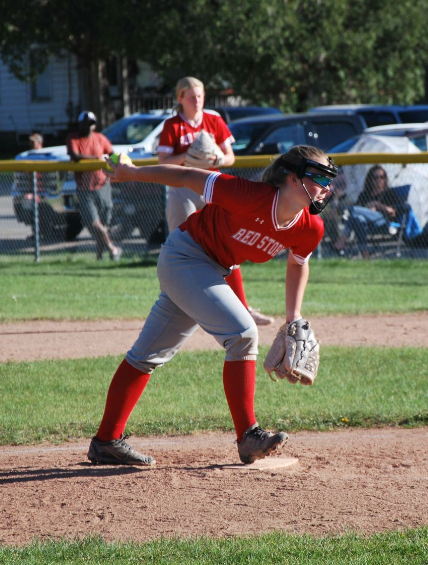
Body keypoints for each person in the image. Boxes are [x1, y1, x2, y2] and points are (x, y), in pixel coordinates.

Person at [86, 145, 338, 467]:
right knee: (243, 333)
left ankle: (106, 441)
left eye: (328, 180)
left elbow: (298, 263)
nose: (326, 187)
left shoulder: (310, 227)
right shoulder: (248, 195)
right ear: (292, 178)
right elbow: (187, 176)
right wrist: (132, 173)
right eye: (319, 178)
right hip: (184, 257)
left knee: (146, 355)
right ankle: (248, 435)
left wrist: (293, 317)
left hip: (210, 270)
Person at [157, 76, 272, 326]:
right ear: (180, 98)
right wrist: (187, 156)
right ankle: (176, 310)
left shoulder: (213, 119)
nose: (197, 100)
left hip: (213, 186)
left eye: (200, 96)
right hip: (182, 189)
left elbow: (230, 157)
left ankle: (243, 308)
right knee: (179, 248)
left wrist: (218, 158)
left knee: (228, 244)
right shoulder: (173, 125)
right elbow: (163, 162)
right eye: (191, 97)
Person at [66, 111, 122, 260]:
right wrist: (96, 158)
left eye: (91, 124)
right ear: (80, 125)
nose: (89, 127)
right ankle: (113, 248)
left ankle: (99, 256)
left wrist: (113, 167)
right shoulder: (73, 138)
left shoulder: (100, 138)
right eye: (86, 124)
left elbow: (112, 154)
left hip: (102, 185)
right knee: (94, 223)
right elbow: (75, 156)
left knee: (104, 223)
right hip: (84, 188)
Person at [343, 165, 403, 259]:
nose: (379, 180)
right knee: (358, 218)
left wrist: (378, 205)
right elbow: (359, 208)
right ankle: (365, 253)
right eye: (375, 177)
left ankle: (342, 238)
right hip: (366, 223)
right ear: (370, 180)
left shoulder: (389, 193)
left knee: (352, 210)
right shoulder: (365, 194)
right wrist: (367, 210)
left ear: (385, 179)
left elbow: (392, 212)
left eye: (382, 177)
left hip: (382, 222)